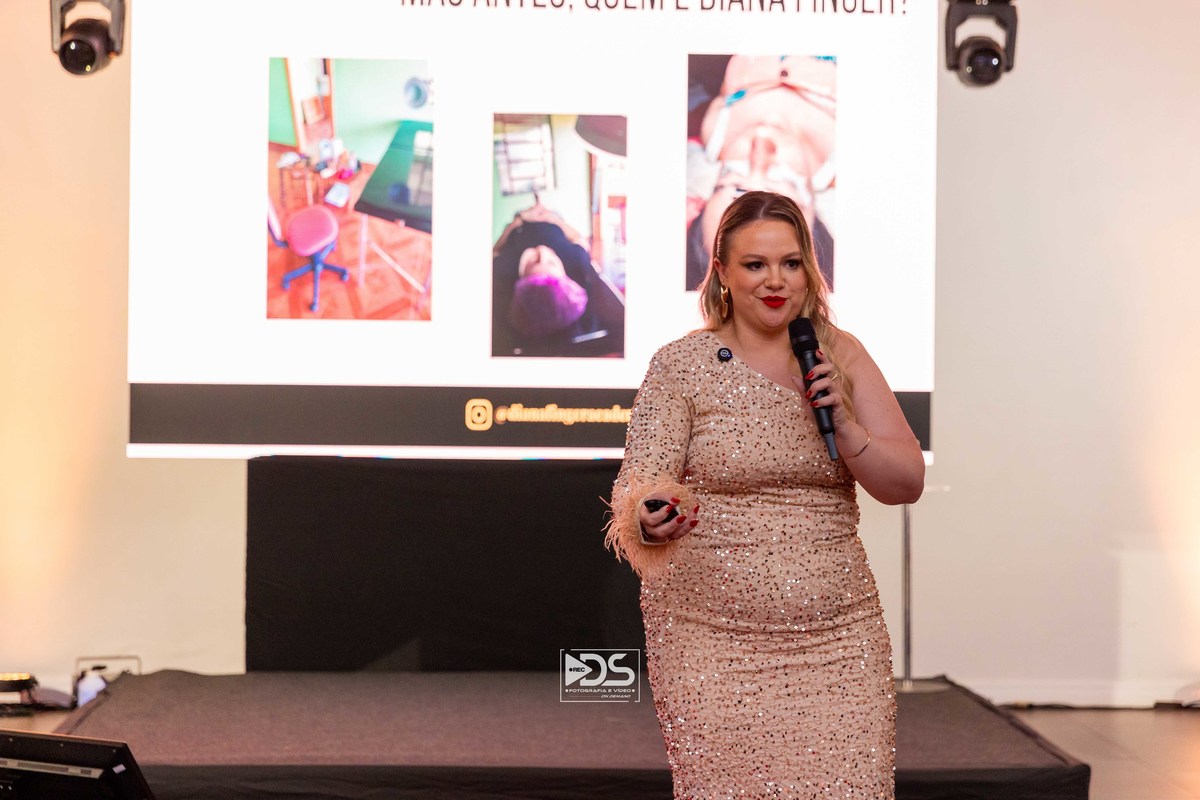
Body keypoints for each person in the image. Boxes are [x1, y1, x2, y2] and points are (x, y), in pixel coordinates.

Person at [607, 191, 924, 797]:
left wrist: (847, 429)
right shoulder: (682, 365)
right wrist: (650, 517)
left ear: (809, 269)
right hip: (708, 641)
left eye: (790, 263)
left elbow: (906, 483)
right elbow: (641, 486)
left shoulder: (840, 354)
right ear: (722, 273)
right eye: (755, 264)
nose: (775, 280)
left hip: (838, 641)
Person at [686, 55, 837, 291]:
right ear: (811, 205)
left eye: (737, 185)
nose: (760, 147)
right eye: (779, 187)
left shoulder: (717, 131)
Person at [491, 203, 617, 357]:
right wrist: (553, 219)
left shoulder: (503, 268)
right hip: (553, 220)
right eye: (551, 263)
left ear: (521, 277)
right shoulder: (575, 260)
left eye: (534, 262)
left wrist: (517, 221)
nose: (542, 251)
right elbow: (578, 239)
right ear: (564, 274)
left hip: (522, 223)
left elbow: (494, 251)